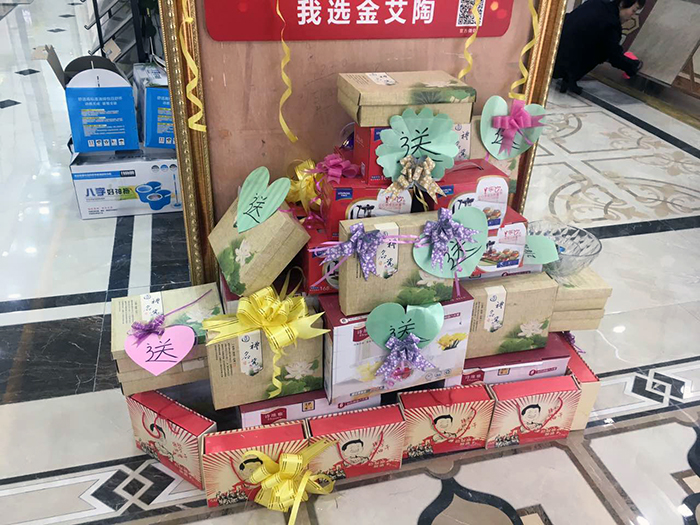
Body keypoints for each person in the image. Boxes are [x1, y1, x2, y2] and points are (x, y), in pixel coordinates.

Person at [553, 0, 645, 94]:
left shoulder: (594, 3)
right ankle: (570, 77)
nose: (632, 16)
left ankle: (569, 77)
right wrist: (632, 67)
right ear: (622, 3)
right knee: (602, 51)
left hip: (552, 51)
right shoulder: (611, 23)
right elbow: (614, 56)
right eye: (633, 11)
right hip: (560, 66)